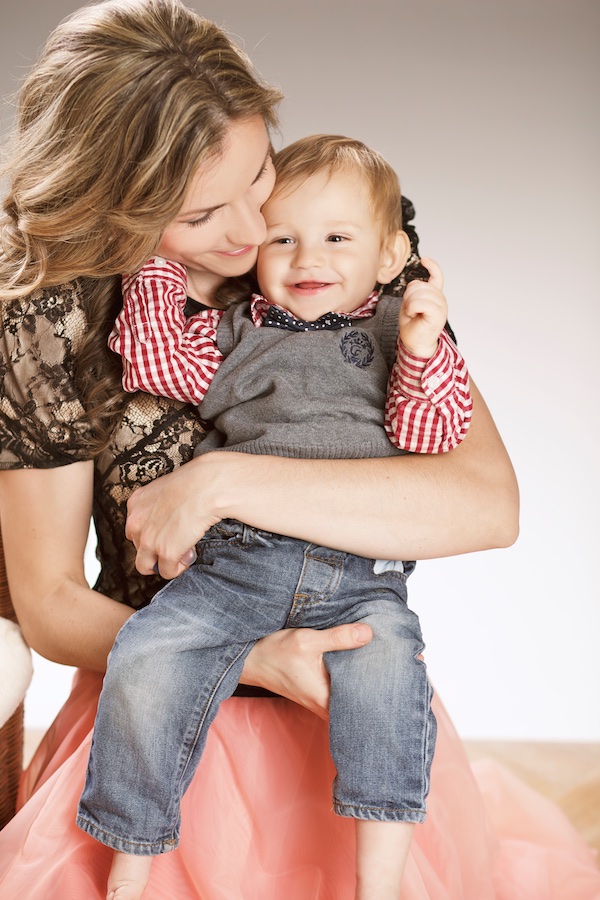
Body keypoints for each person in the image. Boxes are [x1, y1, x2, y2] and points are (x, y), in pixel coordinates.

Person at [0, 1, 598, 898]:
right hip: (157, 698)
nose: (251, 232)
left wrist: (222, 480)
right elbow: (48, 603)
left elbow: (486, 503)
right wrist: (246, 659)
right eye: (202, 214)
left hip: (348, 682)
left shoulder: (326, 238)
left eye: (258, 172)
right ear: (112, 206)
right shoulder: (53, 317)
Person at [78, 134, 473, 900]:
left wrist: (425, 347)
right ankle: (131, 859)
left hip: (360, 576)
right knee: (146, 653)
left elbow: (433, 438)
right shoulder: (238, 329)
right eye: (282, 238)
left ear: (389, 256)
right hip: (237, 567)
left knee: (390, 677)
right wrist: (158, 260)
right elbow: (157, 363)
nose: (306, 259)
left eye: (336, 238)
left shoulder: (398, 331)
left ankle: (380, 881)